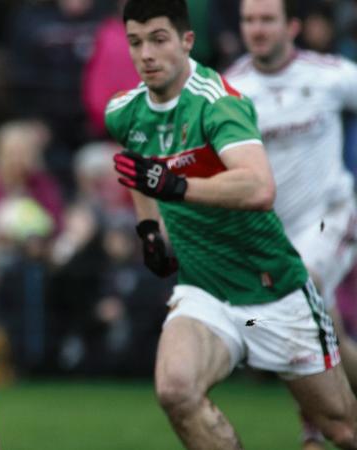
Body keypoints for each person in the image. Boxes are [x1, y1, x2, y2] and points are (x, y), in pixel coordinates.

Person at [107, 1, 357, 449]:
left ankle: (316, 429)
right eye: (135, 42)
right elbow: (137, 168)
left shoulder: (220, 101)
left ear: (187, 41)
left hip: (275, 287)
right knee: (175, 390)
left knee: (344, 428)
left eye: (158, 40)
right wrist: (149, 230)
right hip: (204, 288)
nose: (146, 53)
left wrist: (176, 187)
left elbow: (260, 188)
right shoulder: (124, 112)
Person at [225, 1, 357, 447]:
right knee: (330, 335)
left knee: (301, 296)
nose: (256, 29)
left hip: (332, 219)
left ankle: (312, 434)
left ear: (292, 27)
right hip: (274, 237)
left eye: (267, 19)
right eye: (249, 20)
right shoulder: (232, 88)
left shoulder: (330, 75)